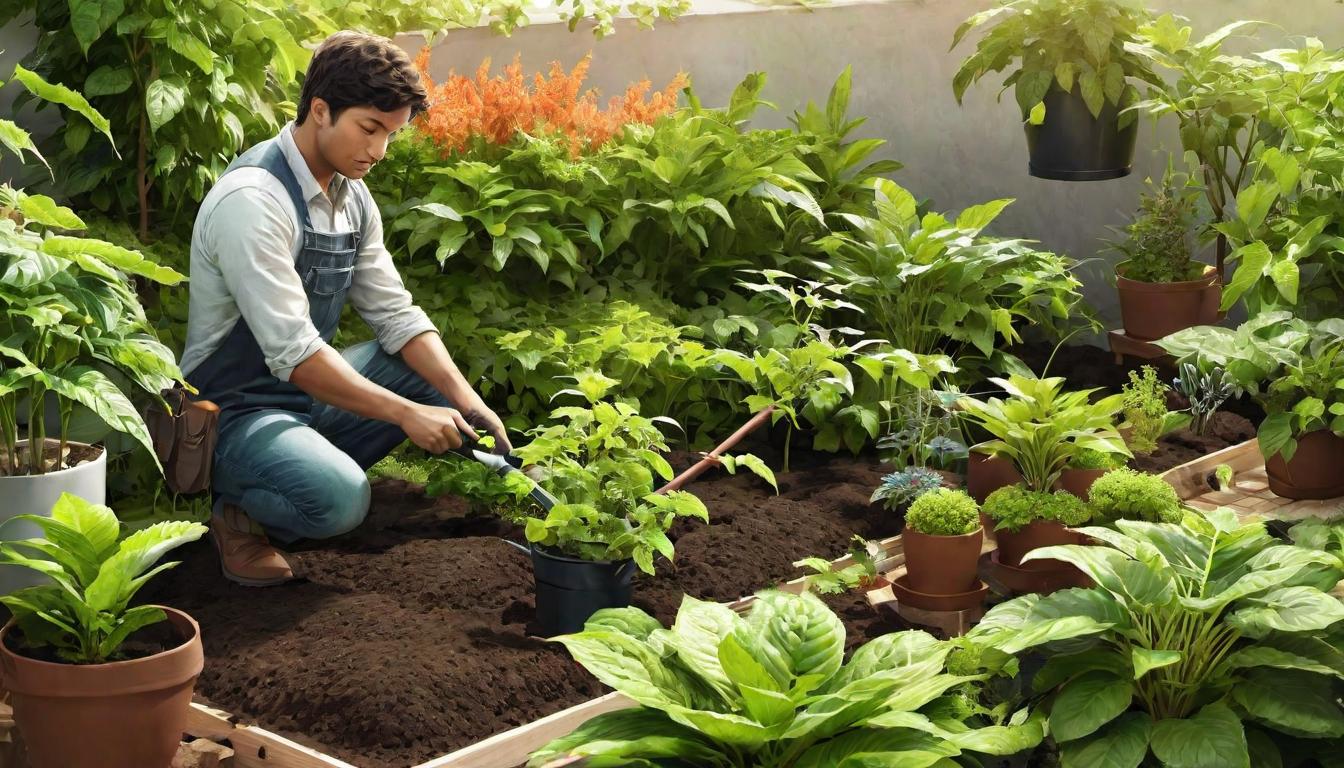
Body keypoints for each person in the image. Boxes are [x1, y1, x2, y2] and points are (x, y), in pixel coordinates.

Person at [179, 31, 511, 586]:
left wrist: (468, 401)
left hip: (302, 396)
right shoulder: (254, 201)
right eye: (370, 129)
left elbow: (396, 315)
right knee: (339, 500)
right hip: (234, 410)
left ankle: (305, 456)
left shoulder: (351, 196)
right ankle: (237, 512)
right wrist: (406, 414)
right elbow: (298, 354)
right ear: (320, 110)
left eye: (392, 135)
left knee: (424, 373)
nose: (379, 151)